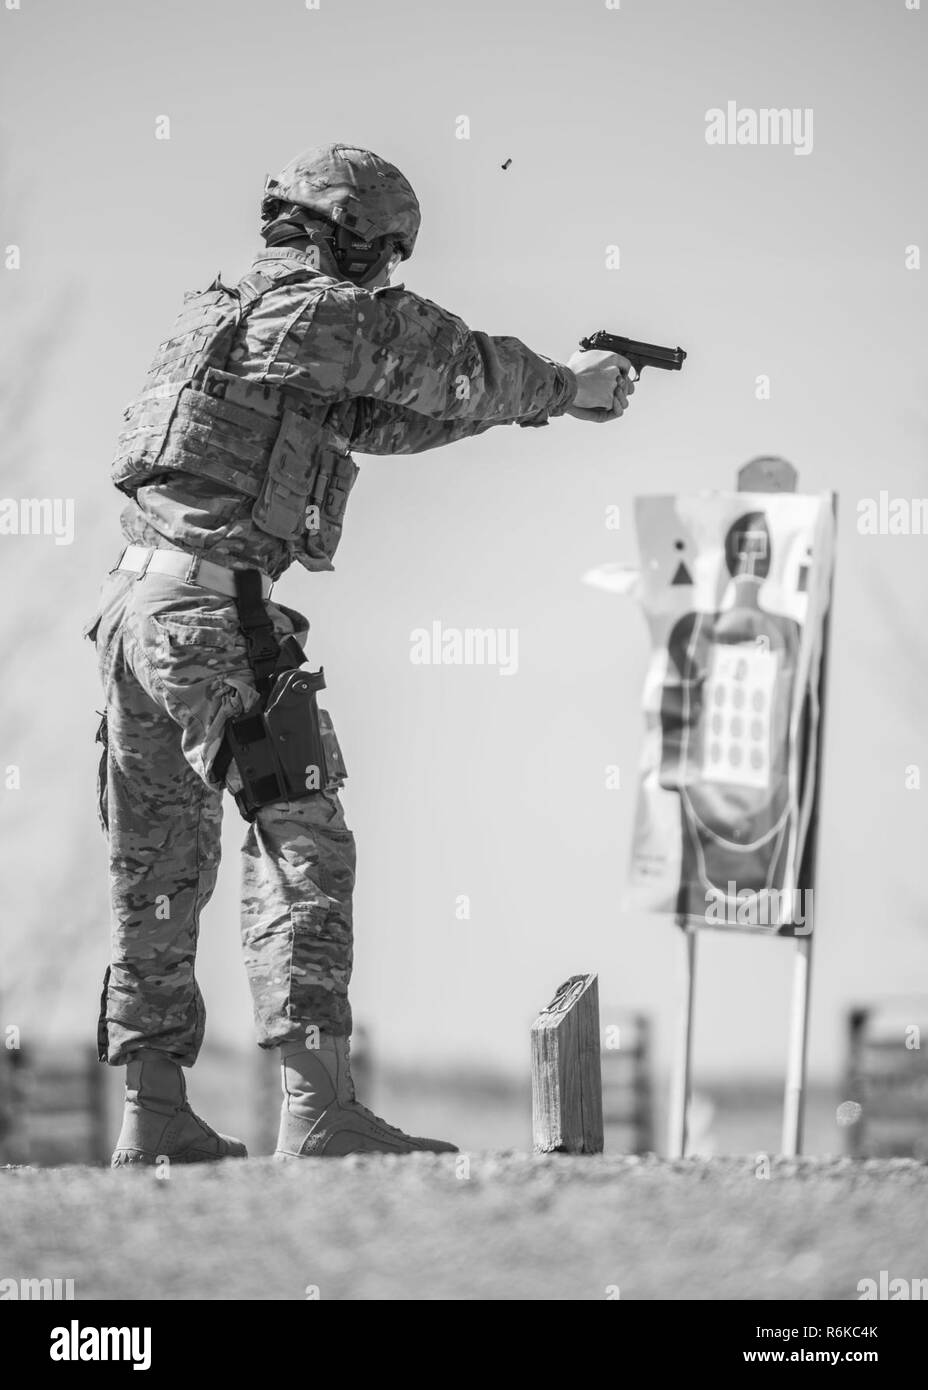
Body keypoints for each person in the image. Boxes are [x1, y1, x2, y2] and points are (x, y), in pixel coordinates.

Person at [86, 143, 633, 1165]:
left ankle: (152, 1111)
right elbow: (451, 365)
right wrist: (568, 387)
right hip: (215, 613)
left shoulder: (236, 309)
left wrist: (537, 410)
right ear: (357, 237)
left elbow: (389, 417)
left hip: (137, 608)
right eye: (384, 254)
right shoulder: (320, 310)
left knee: (157, 868)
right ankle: (317, 1102)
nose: (388, 272)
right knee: (303, 837)